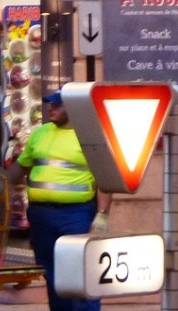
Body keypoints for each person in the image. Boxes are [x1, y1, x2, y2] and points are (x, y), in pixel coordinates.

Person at [12, 90, 111, 311]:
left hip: (76, 215)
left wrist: (102, 216)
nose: (50, 108)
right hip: (41, 215)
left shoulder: (89, 137)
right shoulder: (40, 133)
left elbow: (104, 179)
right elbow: (21, 166)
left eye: (57, 104)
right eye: (50, 104)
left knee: (81, 273)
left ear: (73, 107)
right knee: (52, 274)